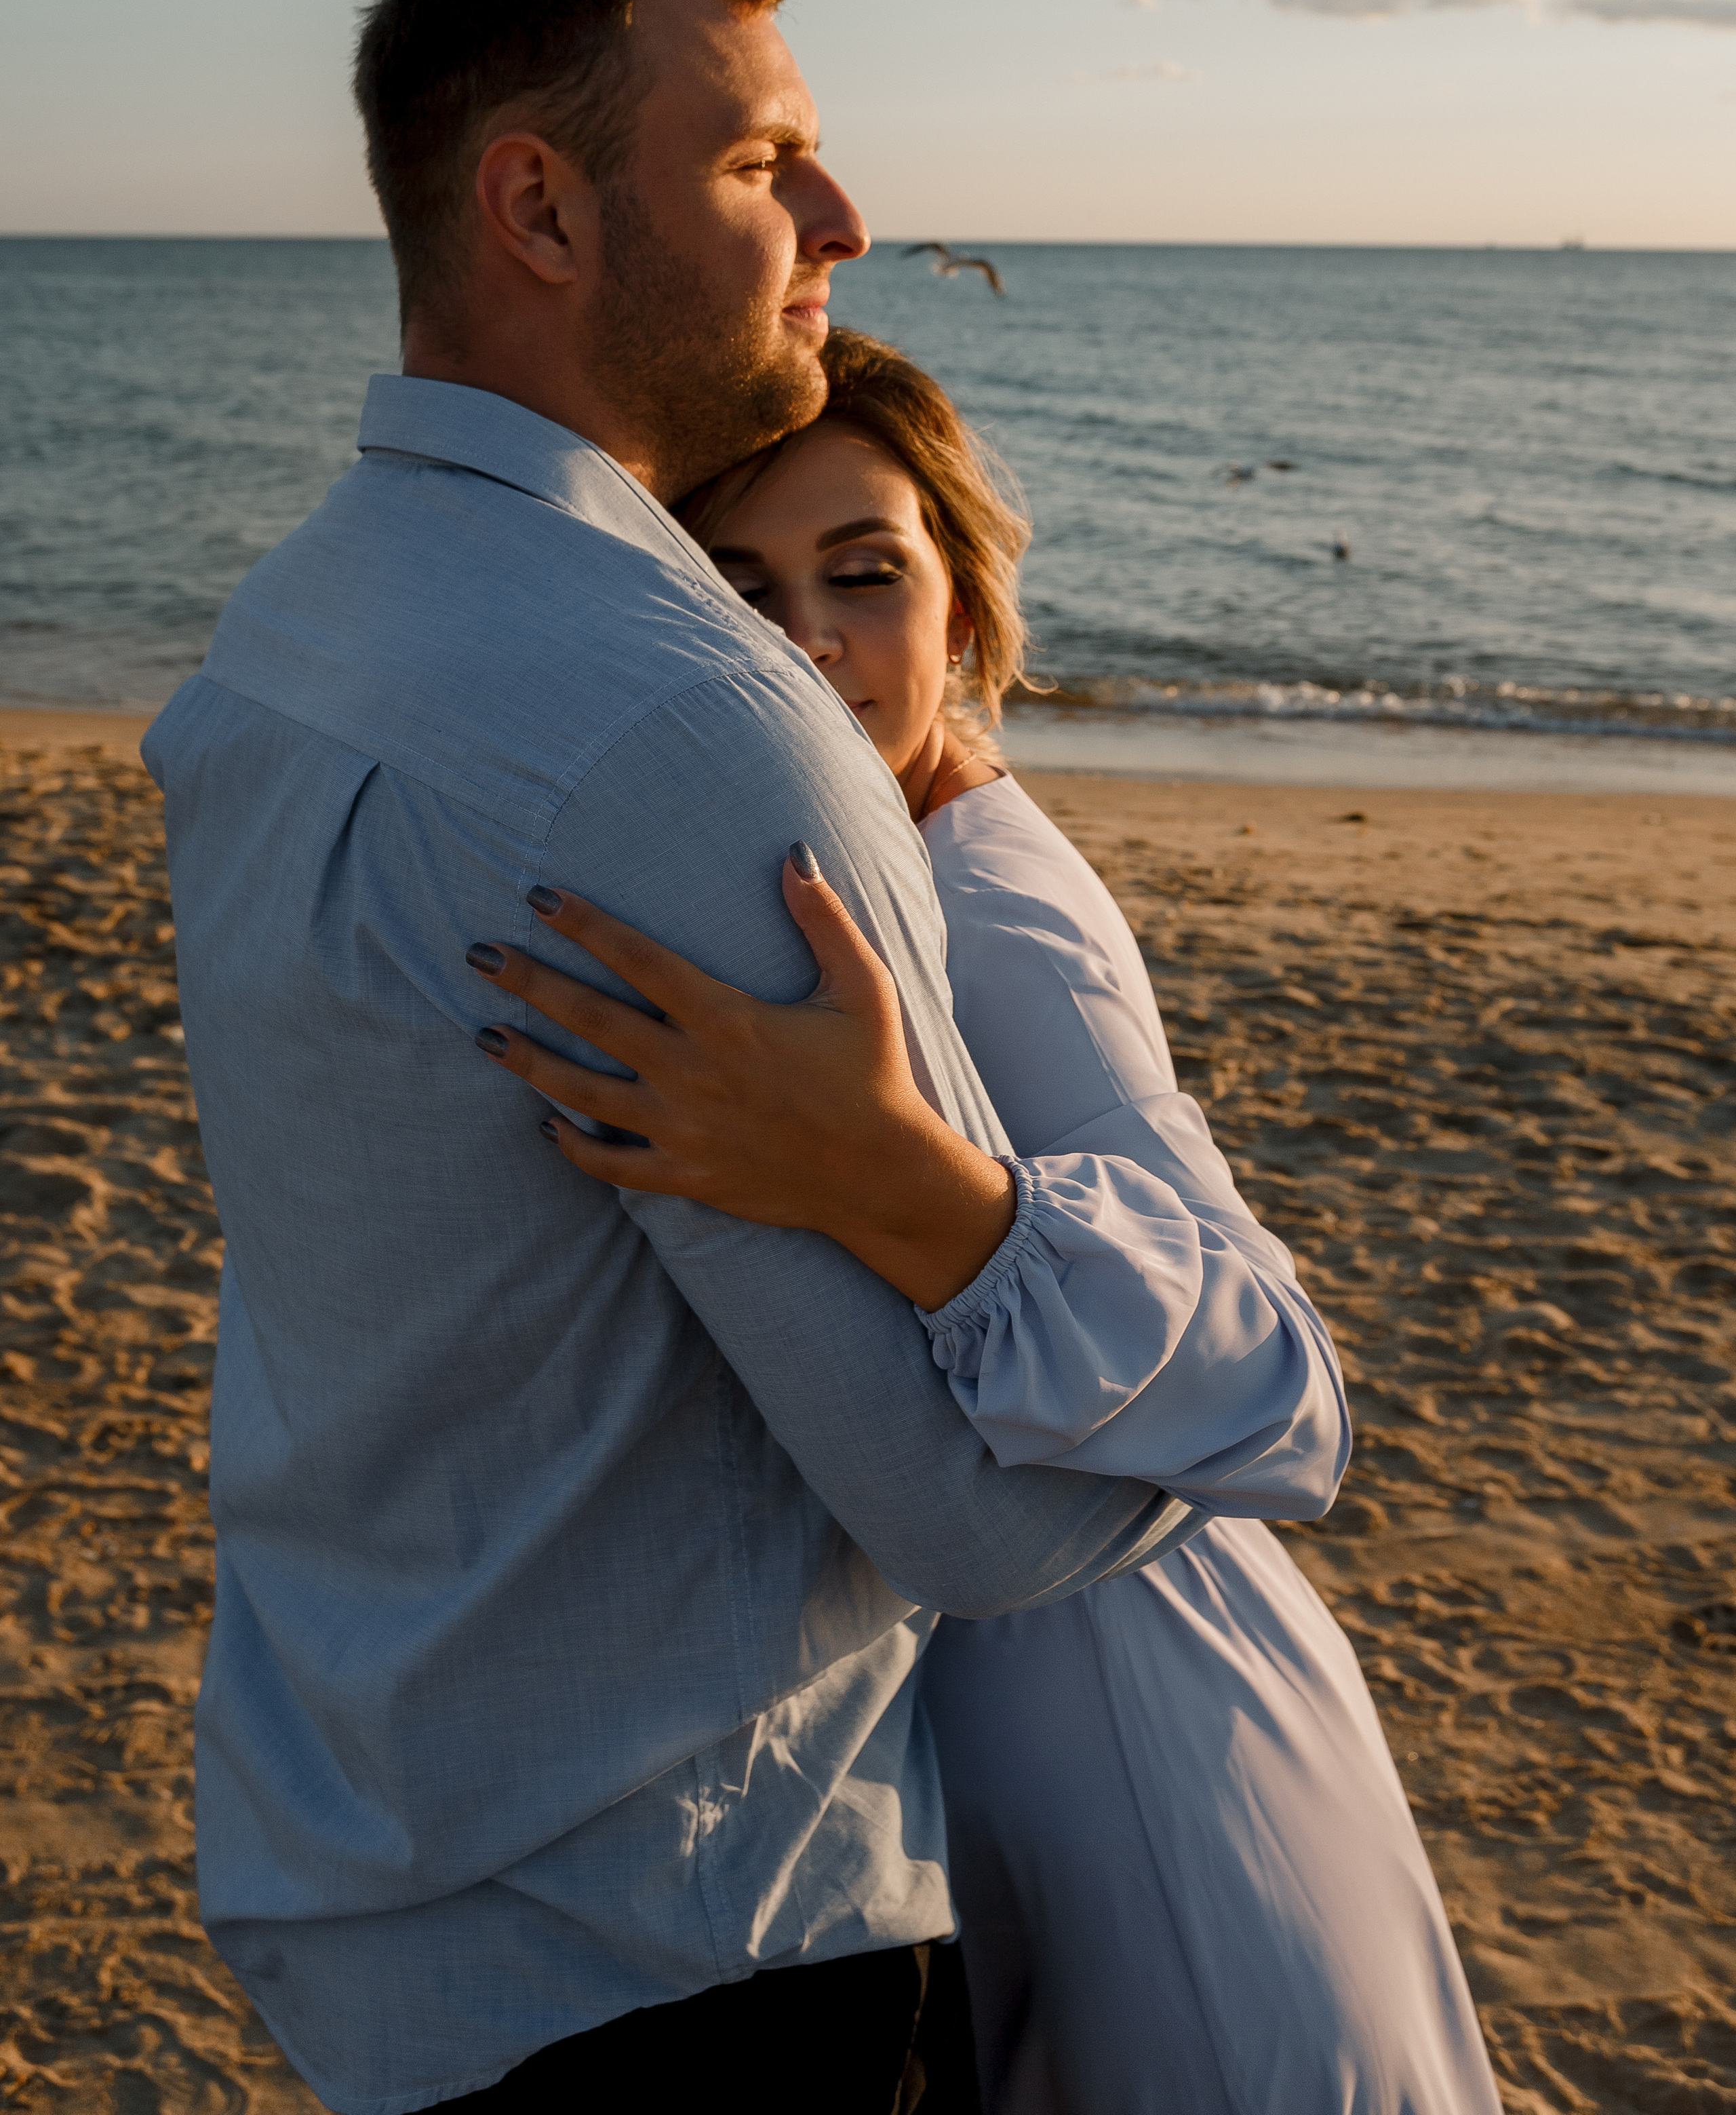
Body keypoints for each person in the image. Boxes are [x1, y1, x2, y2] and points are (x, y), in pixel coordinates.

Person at [142, 0, 1348, 2115]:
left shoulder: (295, 623)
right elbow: (991, 1534)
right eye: (763, 162)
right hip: (680, 1941)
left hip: (374, 1862)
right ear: (539, 207)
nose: (844, 218)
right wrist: (1187, 1420)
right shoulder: (685, 733)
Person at [484, 328, 1502, 2115]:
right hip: (995, 1720)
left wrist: (882, 1172)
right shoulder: (864, 861)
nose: (811, 635)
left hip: (1145, 1743)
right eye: (742, 588)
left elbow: (1286, 1396)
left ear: (960, 613)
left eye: (865, 573)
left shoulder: (990, 908)